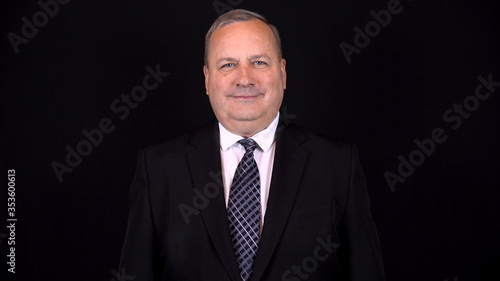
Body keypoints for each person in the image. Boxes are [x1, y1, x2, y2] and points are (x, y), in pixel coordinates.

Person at [119, 9, 385, 281]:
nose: (244, 78)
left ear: (282, 73)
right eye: (227, 65)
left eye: (259, 62)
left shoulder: (338, 166)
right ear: (207, 79)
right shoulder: (159, 169)